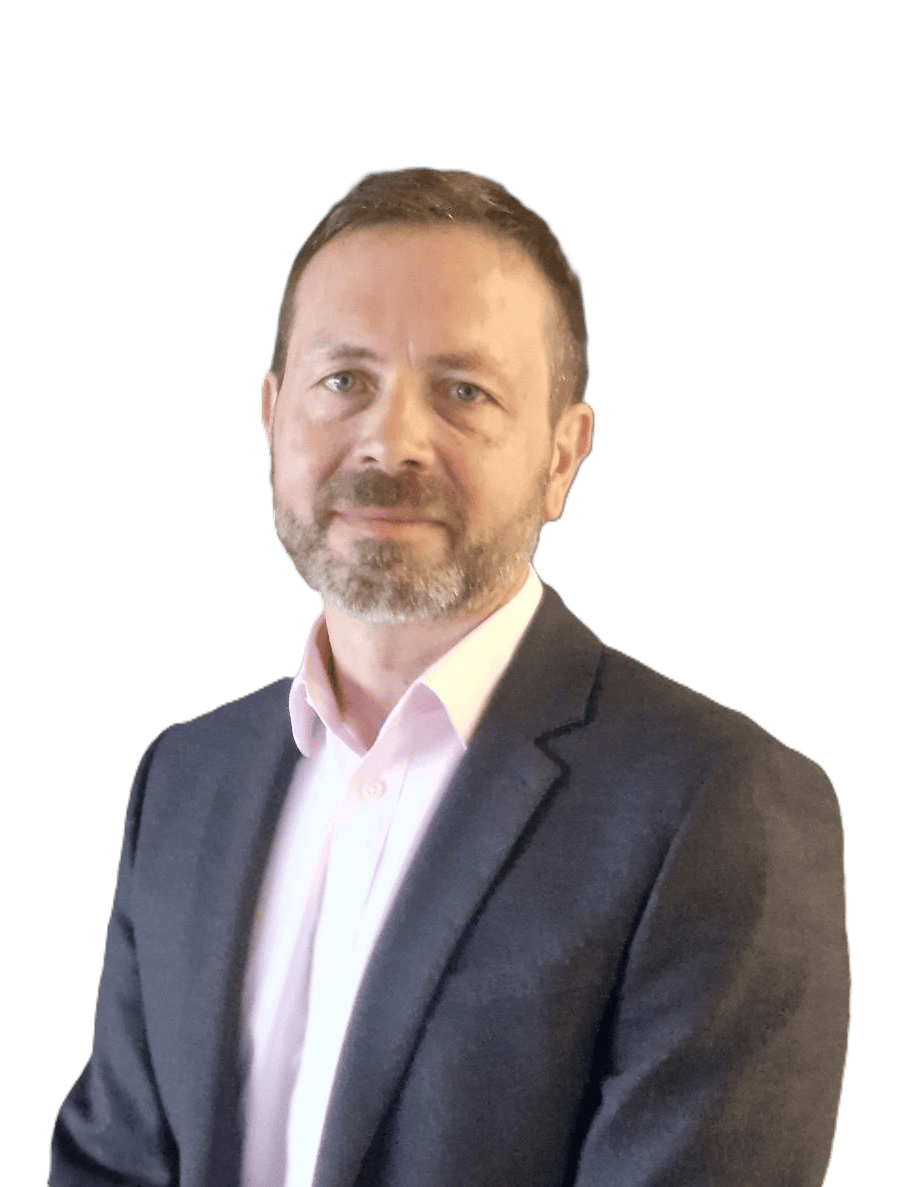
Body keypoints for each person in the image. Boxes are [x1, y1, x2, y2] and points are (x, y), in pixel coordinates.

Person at [49, 166, 850, 1187]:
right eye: (343, 379)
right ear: (270, 415)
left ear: (564, 455)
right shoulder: (181, 779)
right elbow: (108, 1163)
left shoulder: (716, 802)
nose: (390, 439)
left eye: (463, 391)